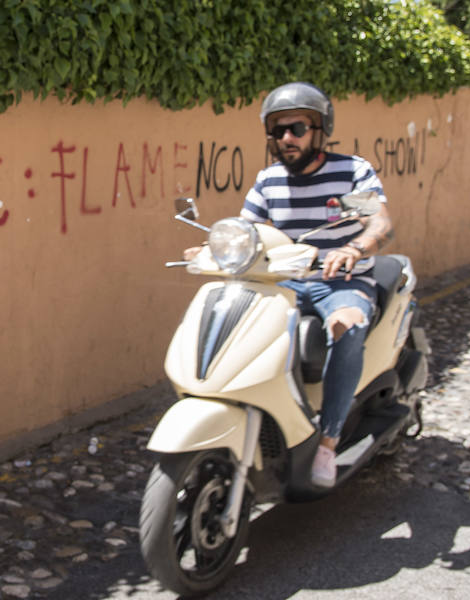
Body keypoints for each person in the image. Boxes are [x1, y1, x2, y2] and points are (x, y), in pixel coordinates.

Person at [190, 82, 394, 487]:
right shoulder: (268, 182)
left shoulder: (348, 173)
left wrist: (354, 248)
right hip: (285, 281)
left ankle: (328, 442)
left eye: (297, 128)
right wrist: (215, 247)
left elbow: (379, 223)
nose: (286, 139)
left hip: (340, 281)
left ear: (318, 130)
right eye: (278, 131)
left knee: (346, 328)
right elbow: (253, 230)